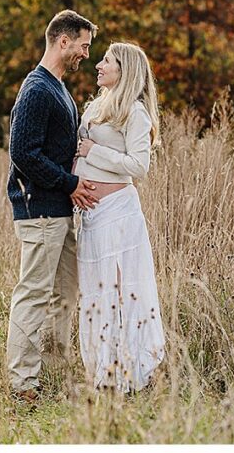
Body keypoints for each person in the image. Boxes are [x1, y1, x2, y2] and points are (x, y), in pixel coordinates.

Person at [5, 9, 100, 404]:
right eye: (83, 45)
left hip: (60, 209)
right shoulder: (37, 89)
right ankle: (22, 383)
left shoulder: (59, 87)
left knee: (65, 293)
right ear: (63, 41)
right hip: (39, 209)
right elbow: (23, 153)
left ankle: (54, 370)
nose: (86, 54)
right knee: (34, 293)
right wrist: (70, 182)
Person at [74, 42, 166, 392]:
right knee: (96, 294)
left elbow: (138, 167)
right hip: (93, 218)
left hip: (119, 215)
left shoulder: (136, 113)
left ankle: (127, 373)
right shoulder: (97, 106)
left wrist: (94, 152)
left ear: (123, 70)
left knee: (118, 293)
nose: (98, 65)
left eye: (106, 61)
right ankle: (103, 370)